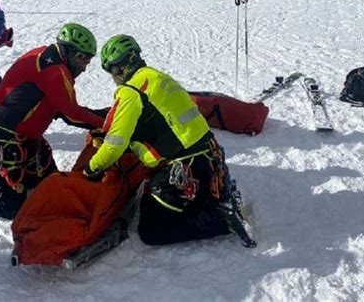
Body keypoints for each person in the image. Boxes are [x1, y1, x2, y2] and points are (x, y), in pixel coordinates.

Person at [83, 34, 256, 247]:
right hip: (209, 157)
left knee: (152, 230)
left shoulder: (130, 92)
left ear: (118, 68)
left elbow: (114, 145)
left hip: (183, 167)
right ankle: (215, 199)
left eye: (111, 71)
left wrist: (91, 168)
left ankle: (222, 221)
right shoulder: (158, 78)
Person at [0, 23, 106, 219]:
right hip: (4, 139)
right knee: (10, 207)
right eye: (83, 59)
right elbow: (71, 113)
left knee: (48, 183)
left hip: (19, 135)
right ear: (71, 52)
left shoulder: (44, 55)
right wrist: (105, 123)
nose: (84, 67)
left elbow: (57, 106)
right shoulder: (55, 71)